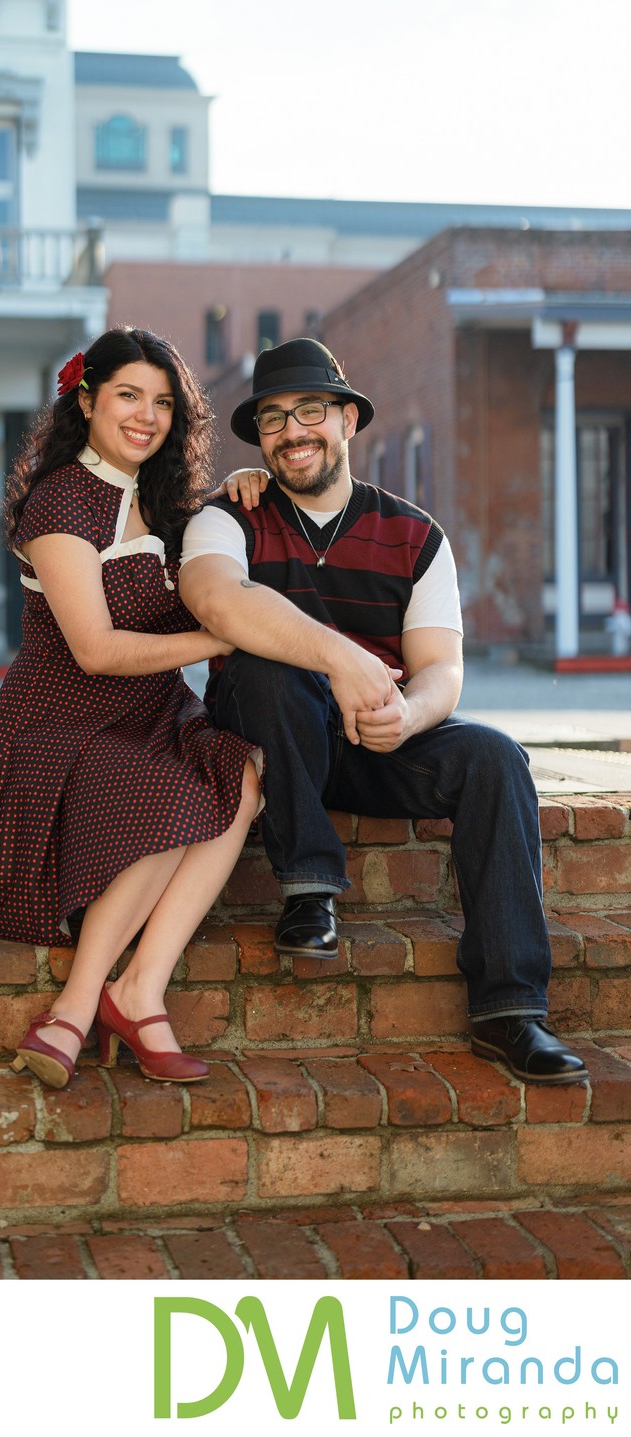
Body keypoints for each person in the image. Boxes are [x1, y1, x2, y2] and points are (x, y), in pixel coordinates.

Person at [178, 337, 587, 1085]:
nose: (291, 431)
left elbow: (441, 671)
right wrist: (342, 658)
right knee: (267, 663)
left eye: (309, 410)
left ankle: (509, 1010)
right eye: (272, 418)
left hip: (370, 739)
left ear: (346, 420)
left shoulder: (415, 535)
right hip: (265, 734)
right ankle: (308, 890)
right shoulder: (225, 517)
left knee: (494, 756)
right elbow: (214, 599)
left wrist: (409, 715)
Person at [0, 327, 262, 1089]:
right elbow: (93, 649)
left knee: (243, 776)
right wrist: (211, 634)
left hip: (152, 716)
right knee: (173, 791)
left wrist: (252, 486)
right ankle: (76, 1004)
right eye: (127, 395)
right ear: (86, 400)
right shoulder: (61, 502)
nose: (146, 416)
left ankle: (139, 987)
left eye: (162, 403)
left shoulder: (165, 502)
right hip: (63, 725)